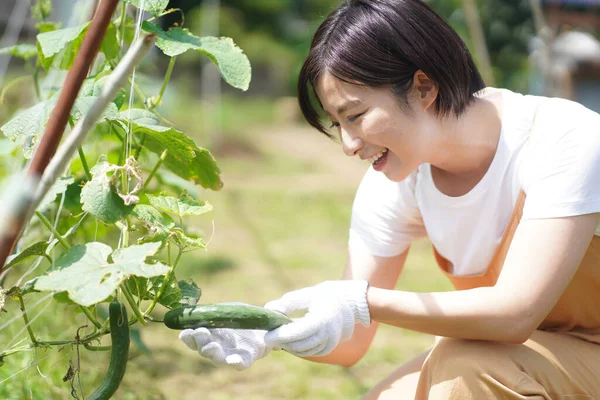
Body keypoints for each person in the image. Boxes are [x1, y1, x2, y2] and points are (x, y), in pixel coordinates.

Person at [179, 0, 600, 398]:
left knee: (466, 366)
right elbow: (351, 343)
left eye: (356, 116)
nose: (348, 144)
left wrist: (360, 301)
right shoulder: (397, 178)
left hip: (546, 353)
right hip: (526, 353)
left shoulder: (562, 139)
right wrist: (267, 332)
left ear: (423, 87)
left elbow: (515, 314)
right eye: (337, 123)